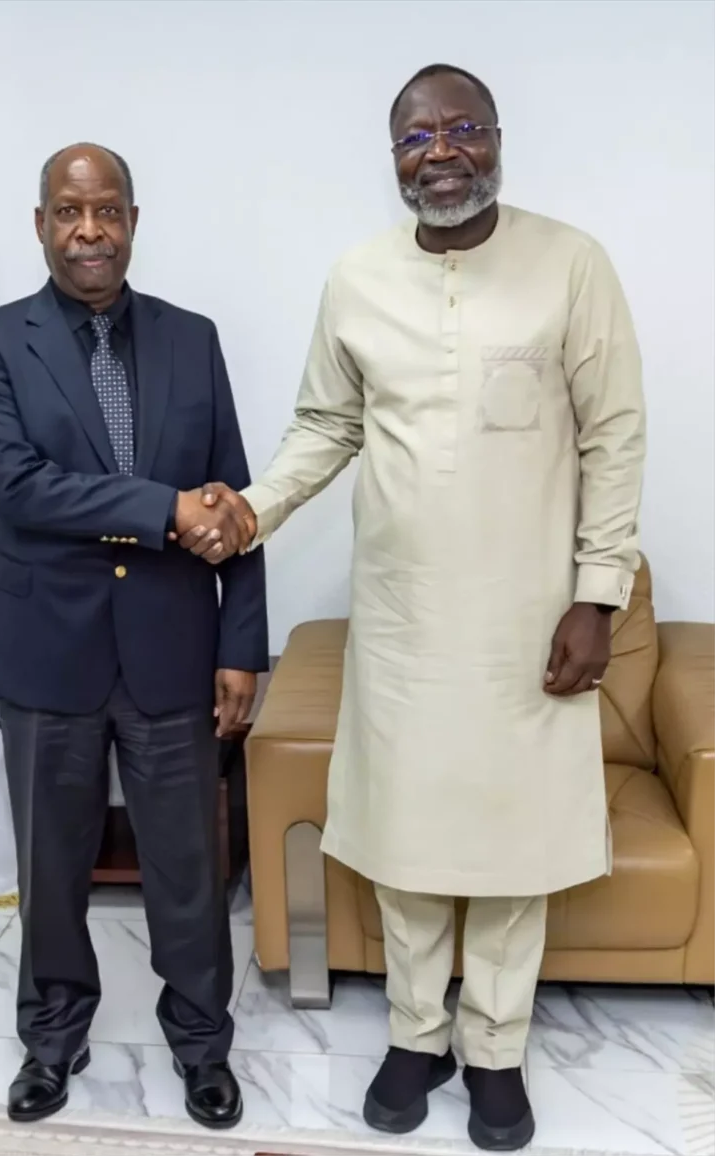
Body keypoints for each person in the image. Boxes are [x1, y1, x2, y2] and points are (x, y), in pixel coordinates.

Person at [179, 65, 645, 1151]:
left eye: (460, 129)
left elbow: (616, 435)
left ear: (497, 138)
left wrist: (597, 595)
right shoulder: (357, 278)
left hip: (530, 620)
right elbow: (325, 427)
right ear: (392, 158)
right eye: (415, 137)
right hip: (402, 621)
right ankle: (415, 1032)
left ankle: (496, 1049)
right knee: (407, 834)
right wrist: (249, 511)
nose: (440, 152)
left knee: (515, 841)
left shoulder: (571, 264)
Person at [0, 143, 266, 1130]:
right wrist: (165, 509)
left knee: (188, 868)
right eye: (68, 212)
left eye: (107, 211)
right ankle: (52, 1038)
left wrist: (242, 645)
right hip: (45, 646)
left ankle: (202, 1043)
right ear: (41, 224)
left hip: (173, 644)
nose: (89, 231)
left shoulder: (191, 338)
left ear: (133, 219)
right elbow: (22, 488)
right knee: (51, 866)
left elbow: (235, 502)